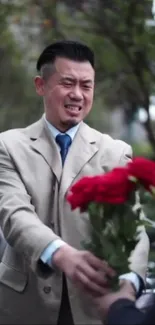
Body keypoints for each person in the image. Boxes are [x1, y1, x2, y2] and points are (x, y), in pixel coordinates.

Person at [0, 40, 149, 324]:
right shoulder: (8, 146)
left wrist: (129, 282)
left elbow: (134, 224)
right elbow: (14, 214)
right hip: (23, 305)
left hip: (94, 305)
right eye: (68, 83)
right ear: (41, 85)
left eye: (86, 85)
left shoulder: (115, 152)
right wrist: (60, 254)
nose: (77, 95)